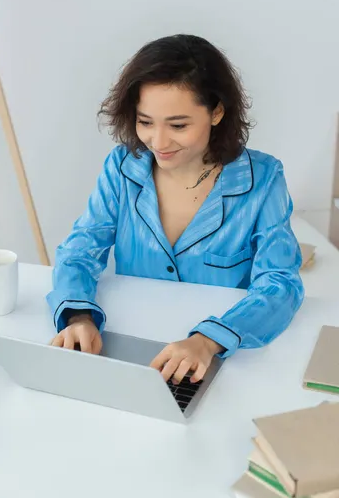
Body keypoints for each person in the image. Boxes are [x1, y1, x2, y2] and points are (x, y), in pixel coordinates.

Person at [46, 34, 304, 385]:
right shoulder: (122, 167)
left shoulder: (263, 179)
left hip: (223, 362)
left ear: (216, 112)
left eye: (178, 125)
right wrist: (78, 316)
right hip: (128, 349)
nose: (159, 142)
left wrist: (208, 340)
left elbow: (280, 283)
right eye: (146, 122)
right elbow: (80, 249)